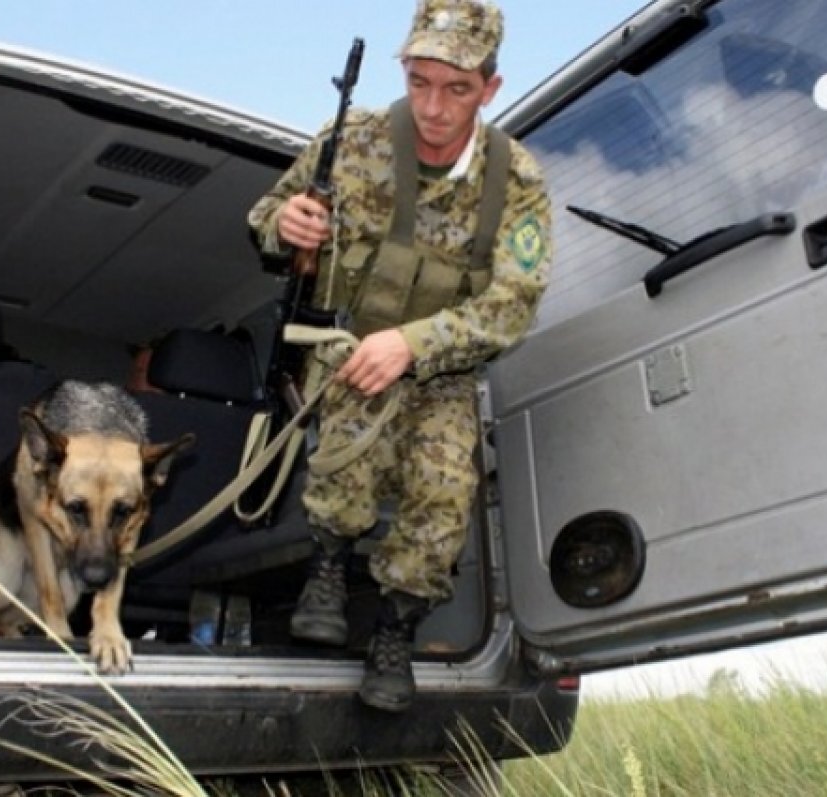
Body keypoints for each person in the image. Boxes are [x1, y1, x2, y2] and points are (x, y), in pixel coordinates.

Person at [247, 0, 552, 712]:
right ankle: (327, 563)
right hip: (353, 345)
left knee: (445, 491)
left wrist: (414, 344)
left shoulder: (517, 181)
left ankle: (394, 632)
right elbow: (266, 219)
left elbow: (513, 304)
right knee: (350, 438)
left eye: (457, 89)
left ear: (491, 89)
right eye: (419, 82)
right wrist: (282, 227)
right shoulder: (348, 140)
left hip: (444, 367)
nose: (434, 108)